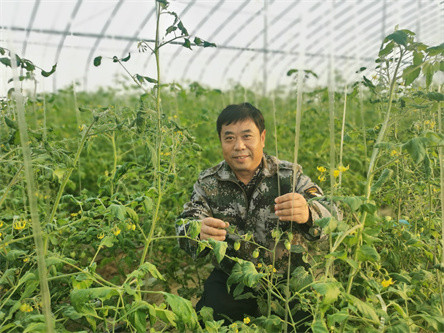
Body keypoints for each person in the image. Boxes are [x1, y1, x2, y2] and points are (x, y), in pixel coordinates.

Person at [176, 103, 339, 326]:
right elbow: (187, 223)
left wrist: (309, 213)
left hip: (288, 279)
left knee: (307, 321)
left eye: (247, 136)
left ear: (262, 138)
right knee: (212, 318)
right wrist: (196, 231)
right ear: (221, 141)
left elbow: (332, 215)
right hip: (233, 278)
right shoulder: (208, 183)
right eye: (229, 138)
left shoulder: (288, 176)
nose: (239, 146)